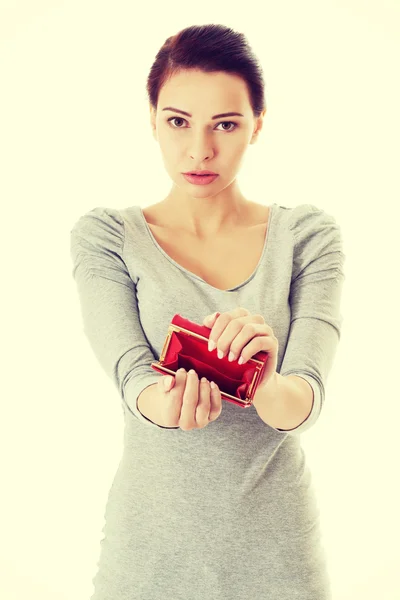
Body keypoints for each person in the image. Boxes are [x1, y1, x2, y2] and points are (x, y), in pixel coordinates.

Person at [70, 23, 345, 600]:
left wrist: (264, 382)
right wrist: (163, 406)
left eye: (226, 124)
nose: (200, 150)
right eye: (178, 122)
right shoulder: (108, 237)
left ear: (257, 126)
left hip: (280, 559)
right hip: (147, 556)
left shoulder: (307, 237)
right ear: (152, 121)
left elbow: (307, 396)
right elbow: (130, 373)